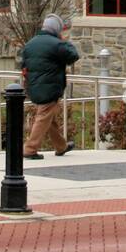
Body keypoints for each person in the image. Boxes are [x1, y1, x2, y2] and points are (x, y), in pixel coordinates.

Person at [19, 14, 79, 159]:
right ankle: (30, 149)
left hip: (33, 87)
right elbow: (74, 56)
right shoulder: (56, 44)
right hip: (50, 87)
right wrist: (65, 42)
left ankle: (61, 146)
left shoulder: (30, 43)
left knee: (49, 117)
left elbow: (23, 64)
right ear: (57, 29)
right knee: (44, 116)